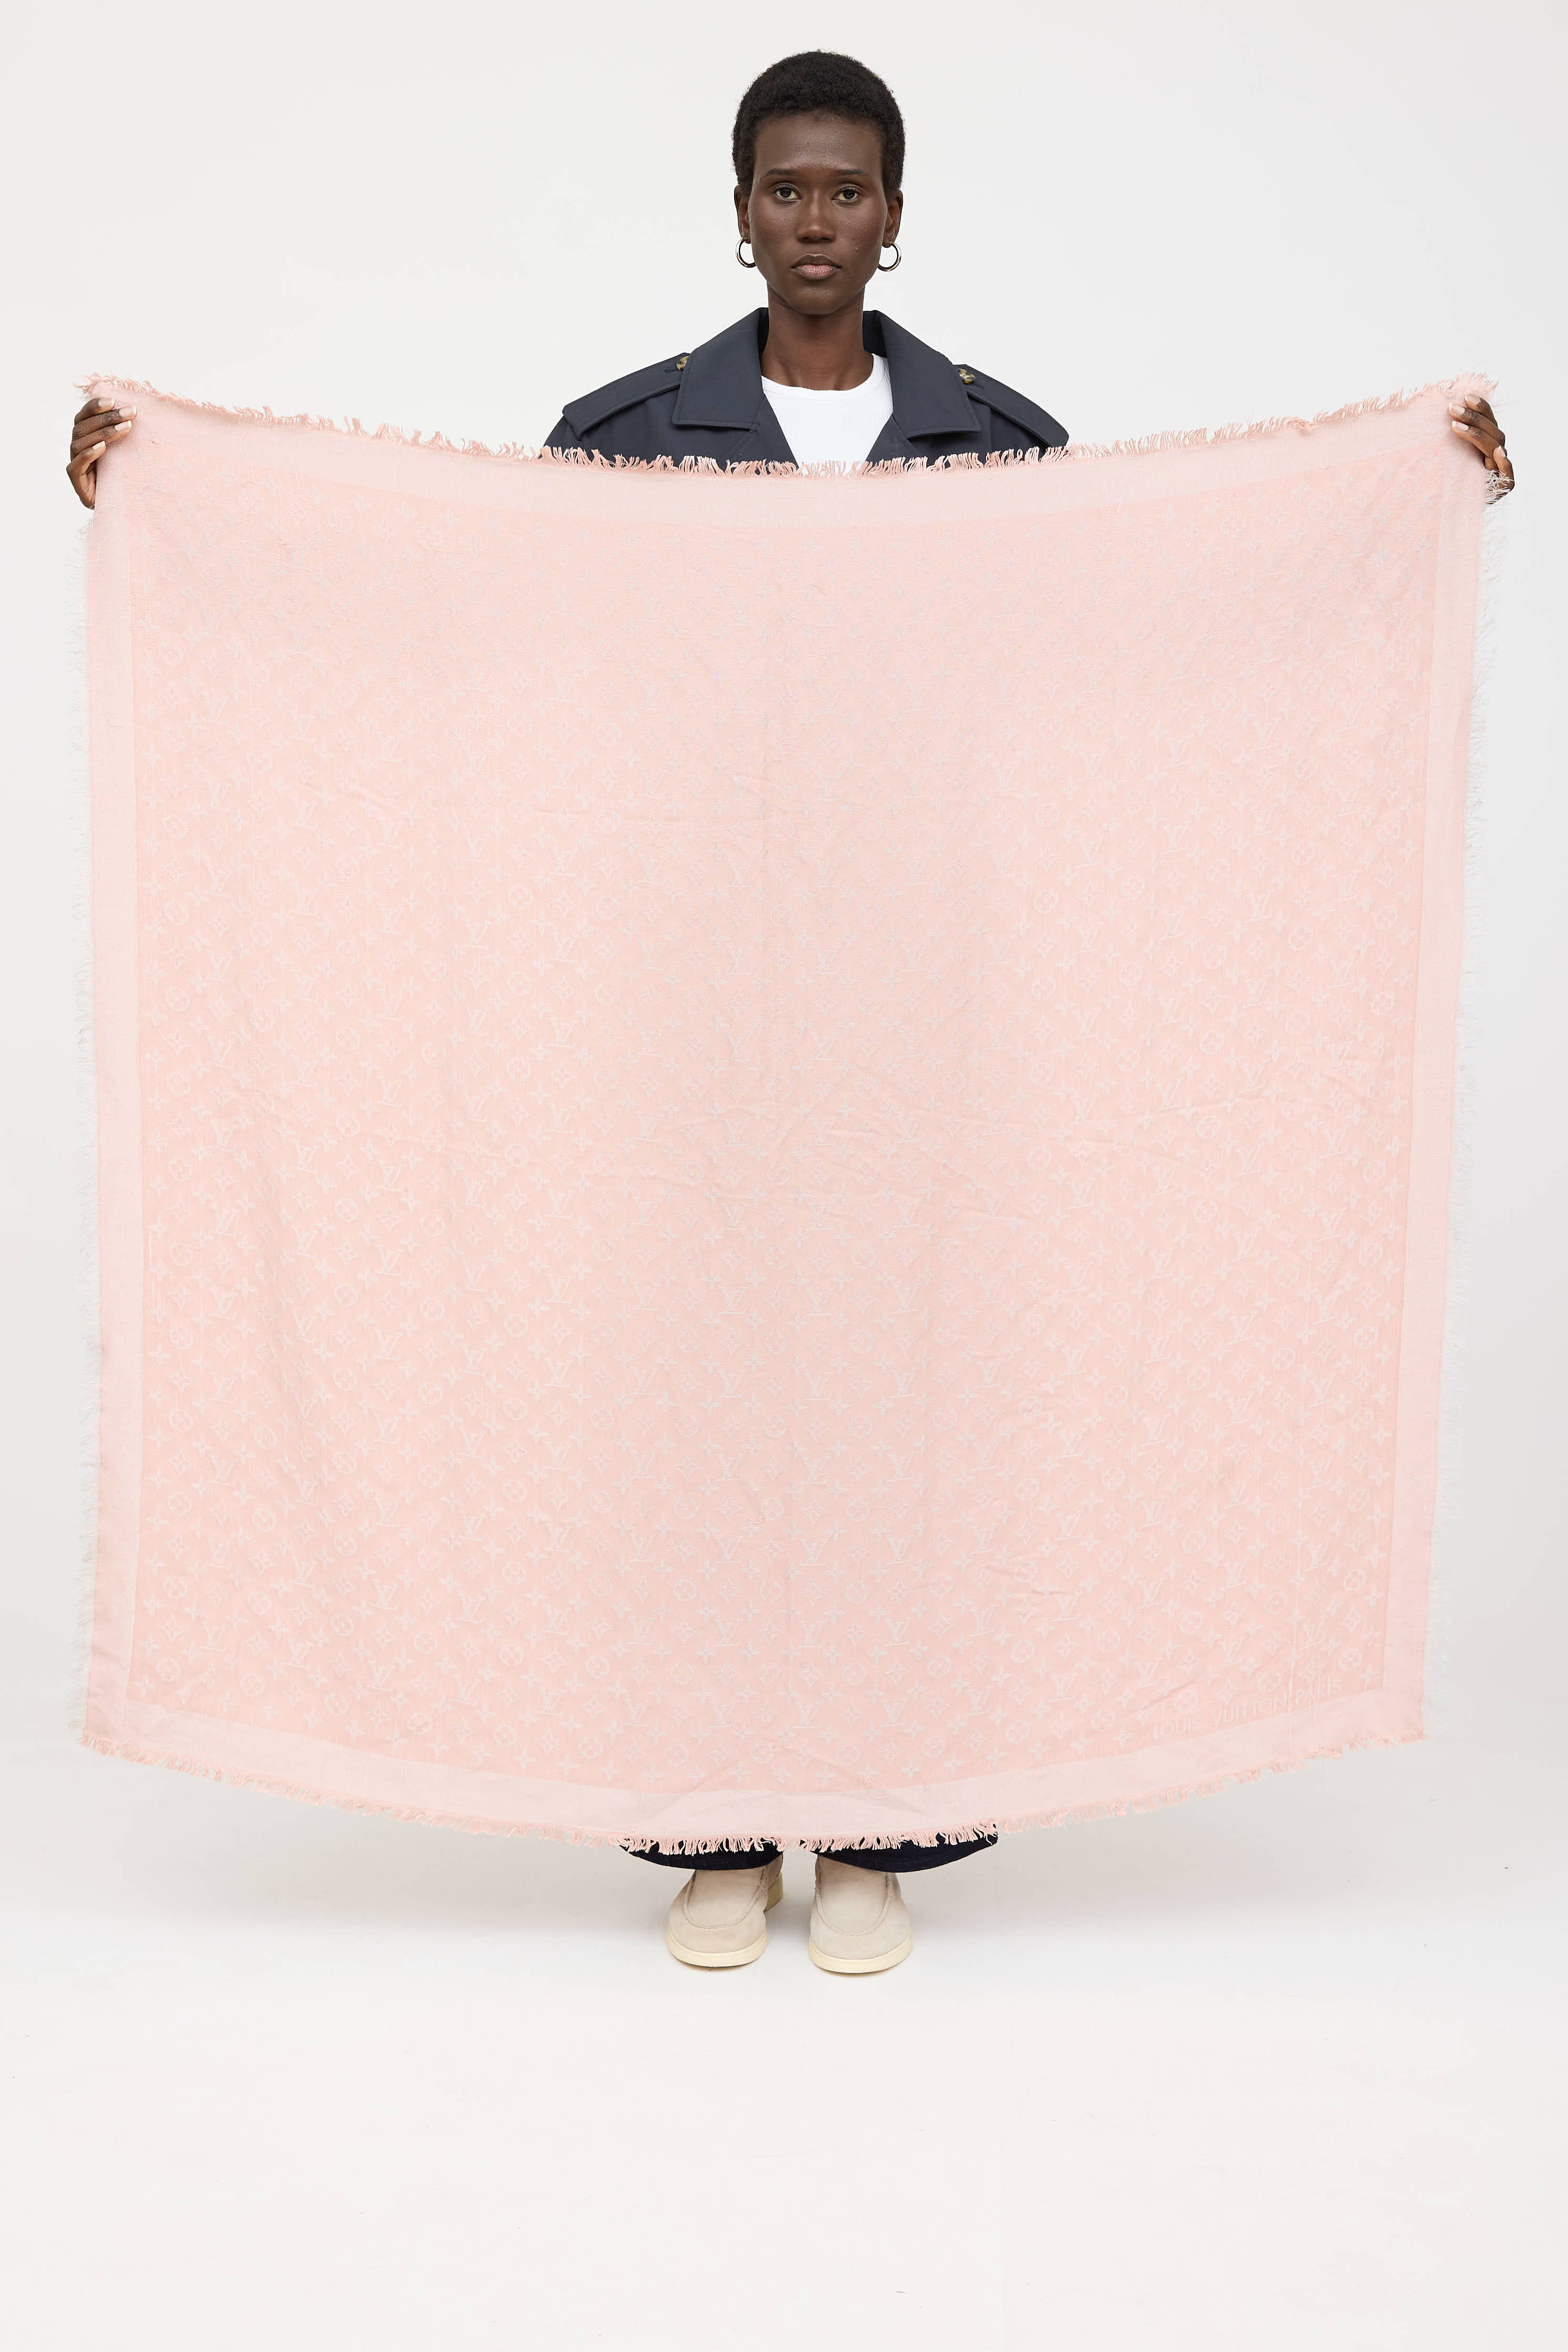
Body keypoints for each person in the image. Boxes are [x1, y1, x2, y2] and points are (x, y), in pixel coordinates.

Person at [65, 50, 1516, 1982]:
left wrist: (1410, 493)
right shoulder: (623, 441)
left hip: (930, 1002)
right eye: (784, 187)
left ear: (897, 215)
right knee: (694, 1408)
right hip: (681, 1001)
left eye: (848, 190)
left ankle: (886, 1811)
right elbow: (472, 627)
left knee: (910, 1401)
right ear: (738, 207)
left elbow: (1140, 648)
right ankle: (715, 1817)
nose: (816, 220)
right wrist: (177, 488)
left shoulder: (998, 447)